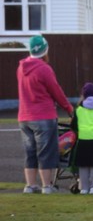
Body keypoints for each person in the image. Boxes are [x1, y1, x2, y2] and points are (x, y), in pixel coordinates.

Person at [17, 35, 74, 194]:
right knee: (46, 151)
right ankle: (47, 186)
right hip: (43, 115)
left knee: (30, 151)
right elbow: (56, 91)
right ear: (45, 50)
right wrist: (69, 108)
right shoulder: (44, 69)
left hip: (24, 116)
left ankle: (30, 185)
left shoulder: (21, 68)